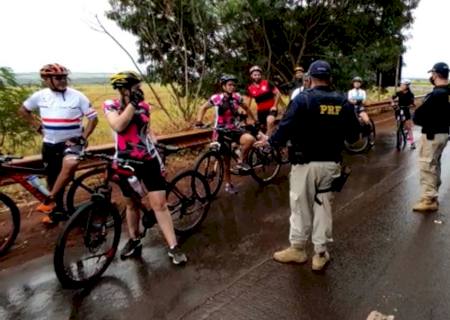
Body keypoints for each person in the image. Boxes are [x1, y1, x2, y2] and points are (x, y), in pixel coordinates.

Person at [255, 60, 360, 271]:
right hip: (331, 165)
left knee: (300, 208)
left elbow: (285, 127)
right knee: (323, 207)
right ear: (330, 78)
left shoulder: (302, 99)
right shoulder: (343, 102)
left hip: (304, 165)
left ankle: (298, 249)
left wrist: (271, 142)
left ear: (309, 78)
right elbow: (354, 137)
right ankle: (320, 254)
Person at [103, 71, 187, 264]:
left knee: (160, 204)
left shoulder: (145, 107)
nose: (139, 90)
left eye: (139, 87)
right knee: (132, 204)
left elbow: (147, 133)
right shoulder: (111, 105)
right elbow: (118, 125)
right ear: (123, 89)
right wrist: (132, 105)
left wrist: (159, 156)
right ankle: (134, 240)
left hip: (148, 160)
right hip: (125, 162)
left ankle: (173, 246)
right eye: (135, 87)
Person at [19, 63, 98, 224]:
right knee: (52, 178)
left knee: (70, 164)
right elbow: (23, 110)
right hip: (50, 143)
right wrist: (38, 127)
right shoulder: (40, 96)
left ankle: (50, 199)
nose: (63, 80)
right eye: (58, 78)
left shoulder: (78, 96)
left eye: (64, 77)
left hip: (72, 142)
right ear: (47, 80)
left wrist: (83, 137)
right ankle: (58, 211)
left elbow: (93, 119)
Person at [196, 75, 258, 194]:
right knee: (226, 161)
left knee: (249, 139)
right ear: (224, 86)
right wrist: (199, 121)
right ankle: (228, 184)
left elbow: (247, 108)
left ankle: (241, 162)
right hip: (220, 131)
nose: (232, 87)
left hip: (235, 130)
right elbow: (203, 108)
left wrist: (254, 120)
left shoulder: (237, 97)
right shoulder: (217, 98)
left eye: (233, 85)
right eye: (229, 85)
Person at [412, 62, 450, 212]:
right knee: (435, 164)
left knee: (427, 165)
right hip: (444, 133)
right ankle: (432, 194)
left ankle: (428, 200)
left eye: (432, 74)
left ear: (435, 75)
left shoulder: (435, 95)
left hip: (432, 135)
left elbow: (418, 117)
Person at [246, 65, 281, 136]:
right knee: (263, 128)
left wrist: (275, 106)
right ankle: (271, 136)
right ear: (251, 76)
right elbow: (248, 102)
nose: (257, 76)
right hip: (261, 112)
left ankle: (268, 142)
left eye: (258, 75)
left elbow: (278, 93)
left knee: (269, 120)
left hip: (271, 109)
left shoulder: (267, 83)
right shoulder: (250, 88)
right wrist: (246, 113)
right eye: (255, 75)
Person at [392, 79, 416, 149]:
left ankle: (412, 142)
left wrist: (410, 106)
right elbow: (392, 98)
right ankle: (399, 134)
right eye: (401, 84)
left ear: (407, 86)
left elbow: (412, 104)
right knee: (398, 125)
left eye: (403, 84)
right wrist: (393, 103)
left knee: (408, 127)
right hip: (398, 110)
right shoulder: (398, 93)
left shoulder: (410, 94)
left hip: (406, 110)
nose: (401, 86)